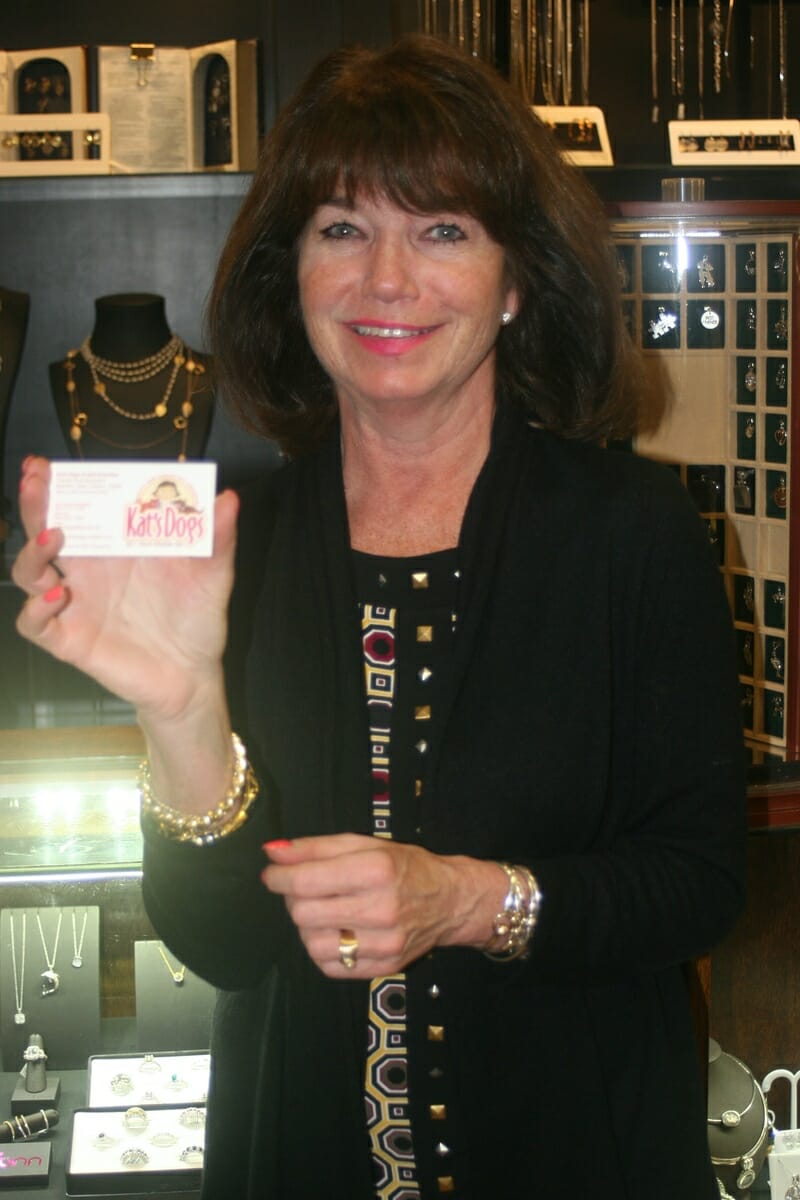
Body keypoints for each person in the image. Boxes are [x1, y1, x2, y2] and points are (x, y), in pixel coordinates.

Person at [13, 34, 745, 1200]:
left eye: (441, 230)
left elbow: (700, 882)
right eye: (342, 229)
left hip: (580, 1152)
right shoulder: (230, 548)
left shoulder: (633, 530)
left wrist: (466, 900)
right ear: (292, 274)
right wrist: (182, 710)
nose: (385, 280)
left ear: (514, 281)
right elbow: (221, 945)